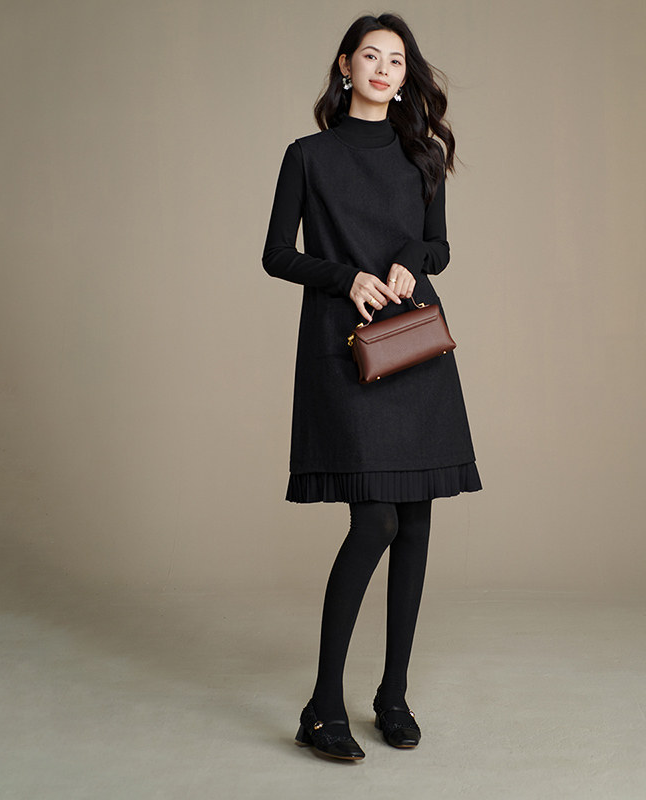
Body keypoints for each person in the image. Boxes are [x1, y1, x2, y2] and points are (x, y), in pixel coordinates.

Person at [262, 12, 481, 761]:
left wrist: (411, 260)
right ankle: (323, 704)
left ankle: (393, 696)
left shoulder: (423, 154)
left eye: (397, 60)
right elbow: (276, 255)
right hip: (344, 347)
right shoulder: (308, 156)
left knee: (415, 522)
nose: (385, 69)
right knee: (376, 521)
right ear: (345, 65)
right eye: (371, 56)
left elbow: (439, 246)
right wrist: (345, 276)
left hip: (416, 345)